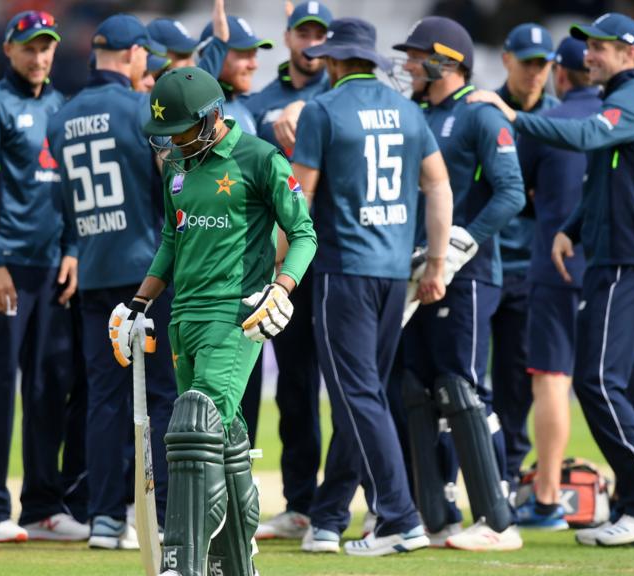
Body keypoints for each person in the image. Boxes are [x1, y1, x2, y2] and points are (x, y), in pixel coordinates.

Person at [469, 11, 634, 547]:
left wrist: (515, 118)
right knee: (630, 384)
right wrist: (570, 230)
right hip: (623, 256)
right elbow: (601, 188)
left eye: (603, 48)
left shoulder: (630, 100)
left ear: (631, 54)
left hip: (624, 261)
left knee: (597, 381)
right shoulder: (622, 99)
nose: (591, 54)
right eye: (589, 47)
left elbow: (587, 135)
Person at [110, 66, 317, 576]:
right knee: (221, 440)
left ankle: (182, 559)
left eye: (181, 128)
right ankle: (235, 559)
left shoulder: (260, 158)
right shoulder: (175, 166)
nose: (173, 141)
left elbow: (304, 232)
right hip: (183, 318)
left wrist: (281, 288)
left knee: (194, 425)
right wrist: (138, 303)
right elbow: (171, 241)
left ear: (212, 116)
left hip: (236, 316)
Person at [292, 17, 454, 557]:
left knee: (356, 394)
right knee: (361, 395)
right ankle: (331, 515)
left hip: (345, 272)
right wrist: (435, 262)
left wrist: (275, 275)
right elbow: (439, 186)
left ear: (334, 61)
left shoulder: (322, 110)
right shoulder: (410, 112)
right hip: (392, 275)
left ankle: (398, 518)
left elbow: (300, 202)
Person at [393, 16, 525, 552]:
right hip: (420, 270)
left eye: (415, 55)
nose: (406, 65)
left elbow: (511, 193)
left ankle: (499, 521)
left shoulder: (480, 114)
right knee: (417, 393)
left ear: (445, 61)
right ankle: (437, 516)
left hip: (467, 277)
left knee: (462, 389)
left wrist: (461, 246)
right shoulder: (418, 114)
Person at [46, 13, 176, 550]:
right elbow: (172, 189)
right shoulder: (143, 109)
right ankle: (168, 514)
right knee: (165, 395)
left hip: (95, 270)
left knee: (104, 397)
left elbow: (63, 203)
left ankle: (104, 518)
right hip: (147, 272)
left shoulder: (62, 116)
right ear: (133, 55)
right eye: (145, 53)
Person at [0, 10, 87, 543]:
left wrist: (73, 249)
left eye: (46, 48)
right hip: (5, 268)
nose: (39, 57)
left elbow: (71, 192)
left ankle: (42, 506)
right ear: (8, 50)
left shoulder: (60, 108)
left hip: (51, 269)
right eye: (30, 48)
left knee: (47, 388)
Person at [244, 0, 331, 542]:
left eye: (321, 33)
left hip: (341, 258)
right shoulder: (260, 102)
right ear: (289, 37)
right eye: (304, 32)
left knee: (350, 386)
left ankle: (343, 502)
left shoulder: (341, 92)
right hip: (280, 261)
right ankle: (300, 502)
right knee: (294, 385)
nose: (313, 42)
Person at [513, 36, 600, 530]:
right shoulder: (621, 120)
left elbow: (518, 189)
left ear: (560, 76)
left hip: (553, 267)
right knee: (619, 383)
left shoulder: (548, 125)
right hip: (610, 270)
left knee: (552, 381)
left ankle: (546, 498)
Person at [490, 23, 559, 495]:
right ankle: (466, 471)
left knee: (516, 380)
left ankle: (508, 474)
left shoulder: (559, 119)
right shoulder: (483, 110)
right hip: (482, 262)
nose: (535, 72)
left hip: (531, 269)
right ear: (506, 59)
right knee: (465, 378)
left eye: (543, 63)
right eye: (528, 61)